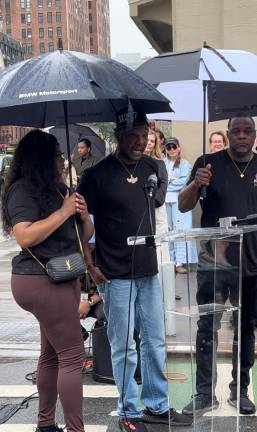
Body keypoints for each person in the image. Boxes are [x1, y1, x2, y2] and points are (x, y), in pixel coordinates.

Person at [78, 111, 192, 432]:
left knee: (154, 341)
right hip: (114, 274)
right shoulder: (97, 175)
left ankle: (156, 404)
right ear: (118, 134)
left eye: (144, 135)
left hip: (147, 270)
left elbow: (157, 203)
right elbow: (80, 227)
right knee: (124, 345)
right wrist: (90, 268)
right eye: (134, 135)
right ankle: (128, 409)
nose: (141, 142)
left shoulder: (153, 168)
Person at [1, 130, 94, 432]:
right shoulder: (22, 190)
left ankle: (45, 424)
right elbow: (25, 234)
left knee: (52, 353)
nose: (60, 160)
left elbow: (86, 235)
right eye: (55, 155)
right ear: (41, 158)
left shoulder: (58, 189)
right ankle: (75, 429)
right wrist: (64, 210)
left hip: (60, 275)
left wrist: (81, 214)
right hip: (41, 279)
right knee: (72, 355)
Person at [179, 115, 257, 416]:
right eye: (235, 131)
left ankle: (241, 391)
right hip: (215, 263)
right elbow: (185, 205)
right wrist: (197, 184)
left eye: (246, 131)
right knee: (206, 327)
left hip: (251, 263)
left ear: (253, 135)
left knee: (246, 329)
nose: (240, 135)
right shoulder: (207, 163)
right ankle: (204, 394)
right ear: (227, 135)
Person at [164, 137, 198, 274]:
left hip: (180, 201)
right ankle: (170, 261)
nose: (171, 150)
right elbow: (161, 180)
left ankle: (180, 261)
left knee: (180, 230)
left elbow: (183, 182)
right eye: (169, 147)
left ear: (178, 148)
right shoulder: (162, 163)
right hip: (165, 201)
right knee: (168, 230)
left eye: (174, 147)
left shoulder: (185, 164)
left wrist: (169, 183)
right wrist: (169, 181)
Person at [144, 129, 168, 235]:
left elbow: (163, 184)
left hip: (157, 207)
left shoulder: (159, 163)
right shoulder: (133, 163)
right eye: (147, 140)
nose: (149, 143)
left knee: (159, 243)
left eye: (152, 141)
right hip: (139, 208)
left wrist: (154, 200)